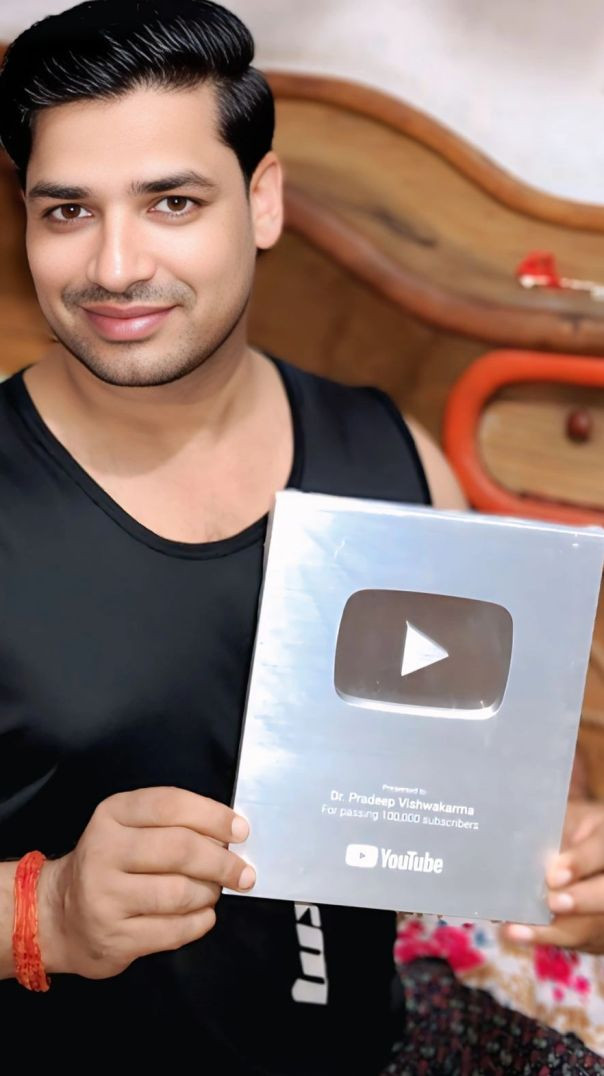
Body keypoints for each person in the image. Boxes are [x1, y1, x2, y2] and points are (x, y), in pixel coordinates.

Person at [0, 1, 600, 1072]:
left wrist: (572, 864)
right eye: (69, 212)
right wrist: (43, 910)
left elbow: (502, 797)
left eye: (172, 201)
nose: (116, 265)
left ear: (262, 200)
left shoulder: (397, 462)